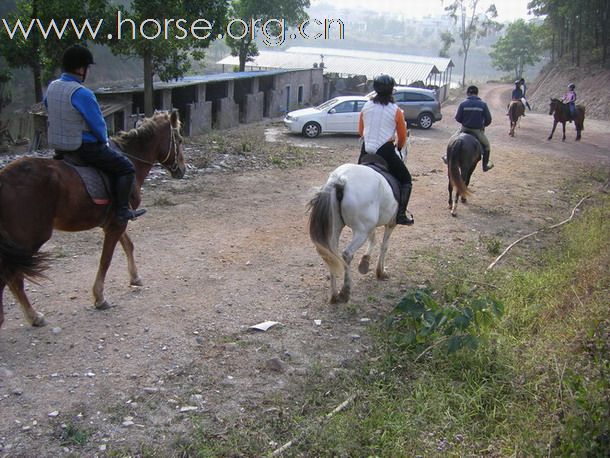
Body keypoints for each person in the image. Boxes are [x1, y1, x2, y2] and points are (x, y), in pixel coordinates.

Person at [45, 45, 146, 225]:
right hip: (83, 147)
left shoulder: (51, 88)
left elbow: (49, 109)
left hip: (59, 147)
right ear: (80, 68)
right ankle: (122, 211)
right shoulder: (82, 93)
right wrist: (104, 141)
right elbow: (98, 125)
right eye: (87, 68)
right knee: (126, 167)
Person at [358, 74, 414, 225]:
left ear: (375, 89)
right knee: (406, 180)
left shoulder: (366, 106)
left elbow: (360, 130)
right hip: (385, 151)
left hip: (366, 151)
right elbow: (402, 136)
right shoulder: (396, 110)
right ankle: (401, 214)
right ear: (391, 91)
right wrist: (400, 147)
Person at [444, 85, 493, 171]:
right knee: (487, 146)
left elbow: (458, 118)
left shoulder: (463, 104)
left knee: (451, 140)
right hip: (477, 131)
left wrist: (465, 122)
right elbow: (488, 119)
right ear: (477, 93)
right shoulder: (483, 105)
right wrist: (482, 125)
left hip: (464, 129)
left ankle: (446, 157)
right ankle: (485, 165)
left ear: (468, 93)